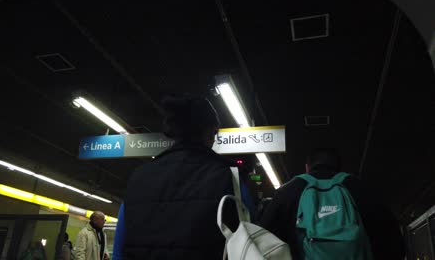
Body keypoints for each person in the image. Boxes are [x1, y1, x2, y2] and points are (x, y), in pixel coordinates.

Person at [122, 95, 250, 259]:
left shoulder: (138, 177)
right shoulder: (230, 176)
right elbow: (249, 241)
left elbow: (120, 249)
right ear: (210, 131)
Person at [260, 148, 405, 259]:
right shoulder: (360, 189)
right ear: (338, 167)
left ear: (307, 167)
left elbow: (263, 241)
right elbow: (393, 241)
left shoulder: (288, 191)